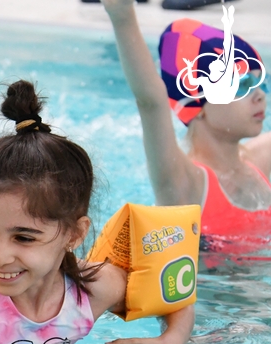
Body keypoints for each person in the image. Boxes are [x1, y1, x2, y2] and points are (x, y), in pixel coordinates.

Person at [0, 80, 195, 344]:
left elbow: (173, 293)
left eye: (23, 237)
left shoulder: (94, 290)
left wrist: (173, 338)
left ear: (75, 234)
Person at [102, 0, 270, 253]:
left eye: (261, 84)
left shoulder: (259, 163)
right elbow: (151, 102)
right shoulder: (185, 185)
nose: (259, 96)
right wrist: (121, 14)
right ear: (196, 103)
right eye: (241, 85)